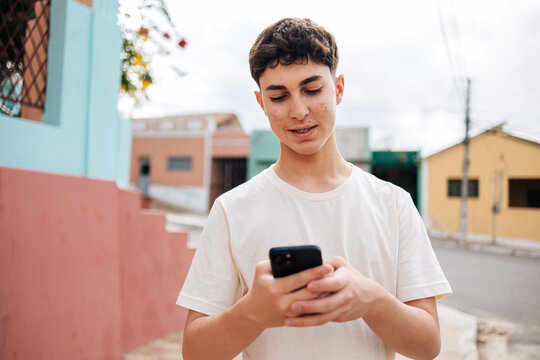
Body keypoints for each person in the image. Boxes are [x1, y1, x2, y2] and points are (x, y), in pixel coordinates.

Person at [177, 17, 451, 360]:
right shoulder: (232, 210)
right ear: (262, 104)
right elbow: (195, 352)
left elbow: (427, 346)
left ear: (337, 88)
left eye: (312, 89)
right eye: (279, 96)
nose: (299, 111)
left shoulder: (392, 204)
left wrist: (370, 299)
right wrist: (252, 311)